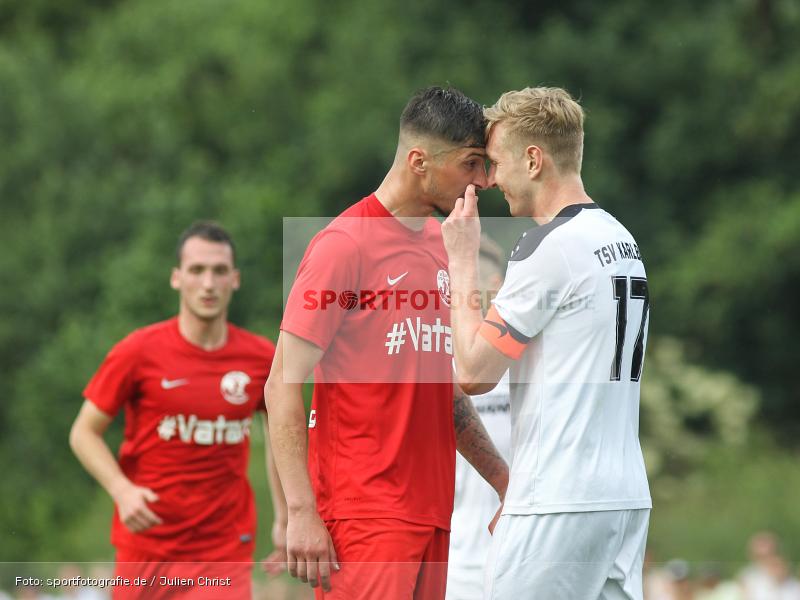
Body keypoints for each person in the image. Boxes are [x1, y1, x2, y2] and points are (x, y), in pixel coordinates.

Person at [265, 86, 509, 599]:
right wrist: (300, 511)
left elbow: (444, 392)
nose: (484, 180)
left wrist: (504, 482)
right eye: (471, 164)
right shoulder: (343, 245)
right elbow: (280, 385)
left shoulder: (441, 248)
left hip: (432, 514)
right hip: (364, 514)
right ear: (419, 161)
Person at [442, 86, 653, 599]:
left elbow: (473, 371)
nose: (492, 181)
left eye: (496, 164)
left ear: (533, 160)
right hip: (624, 500)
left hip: (556, 498)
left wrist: (463, 258)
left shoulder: (548, 246)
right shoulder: (621, 239)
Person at [69, 222, 284, 599]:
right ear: (176, 278)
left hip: (224, 549)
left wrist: (288, 516)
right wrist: (122, 490)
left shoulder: (261, 358)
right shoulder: (138, 352)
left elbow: (283, 439)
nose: (208, 283)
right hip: (148, 546)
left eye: (219, 271)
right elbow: (83, 432)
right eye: (197, 270)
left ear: (235, 279)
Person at [446, 236, 512, 600]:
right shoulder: (435, 361)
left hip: (516, 557)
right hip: (451, 563)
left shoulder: (527, 362)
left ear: (497, 286)